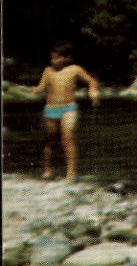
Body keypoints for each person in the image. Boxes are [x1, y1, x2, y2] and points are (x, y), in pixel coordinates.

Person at [32, 42, 99, 180]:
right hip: (50, 109)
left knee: (67, 138)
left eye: (57, 58)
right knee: (51, 141)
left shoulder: (75, 69)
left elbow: (91, 81)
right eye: (52, 58)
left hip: (69, 108)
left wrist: (93, 90)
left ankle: (71, 173)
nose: (53, 61)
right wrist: (31, 90)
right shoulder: (48, 70)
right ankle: (47, 170)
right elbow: (41, 87)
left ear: (66, 58)